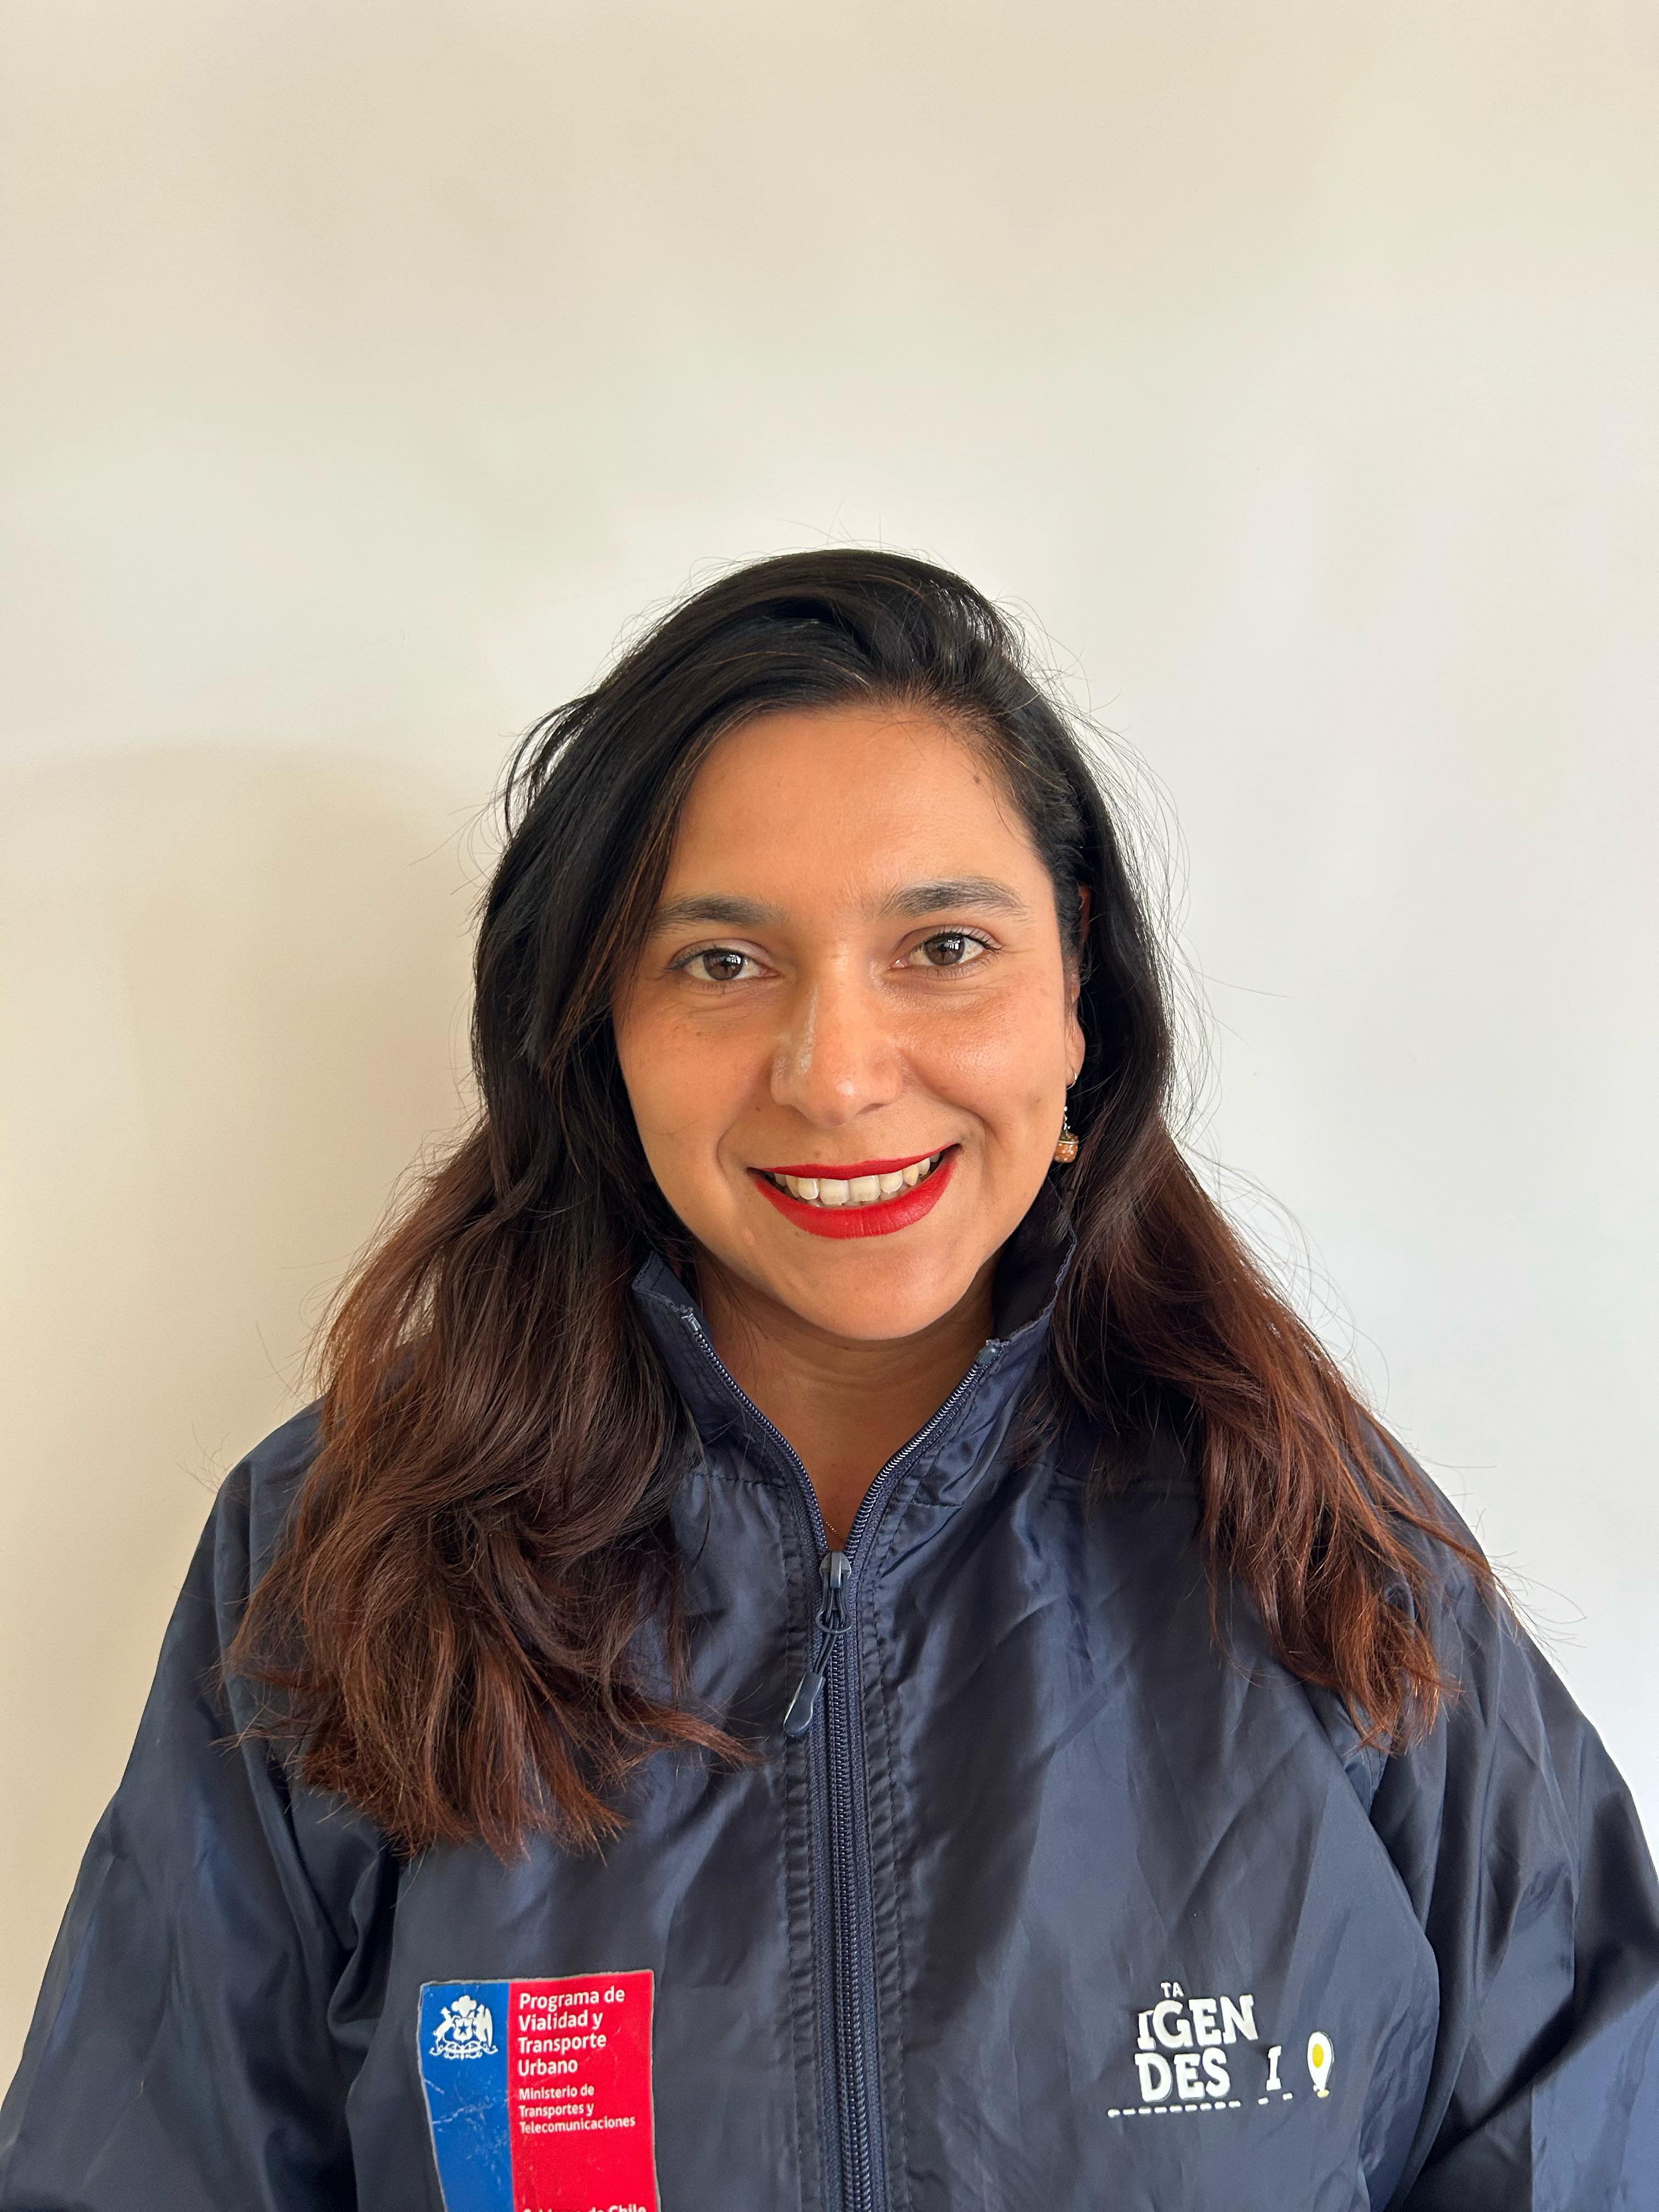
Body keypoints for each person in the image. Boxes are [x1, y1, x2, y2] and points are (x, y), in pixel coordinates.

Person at [2, 550, 1655, 2212]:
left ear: (1075, 986)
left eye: (944, 944)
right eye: (723, 963)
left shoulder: (1314, 1539)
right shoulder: (349, 1552)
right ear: (602, 1025)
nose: (839, 1076)